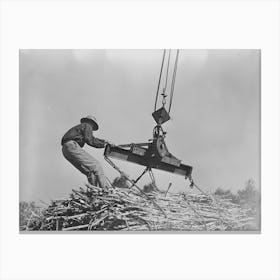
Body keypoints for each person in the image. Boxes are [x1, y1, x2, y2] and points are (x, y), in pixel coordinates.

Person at [61, 115, 112, 189]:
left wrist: (103, 141)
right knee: (97, 165)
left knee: (89, 172)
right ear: (91, 123)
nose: (92, 128)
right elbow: (90, 140)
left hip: (65, 150)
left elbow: (92, 139)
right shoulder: (87, 125)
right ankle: (105, 189)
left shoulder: (81, 127)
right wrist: (104, 143)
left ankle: (94, 190)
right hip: (72, 146)